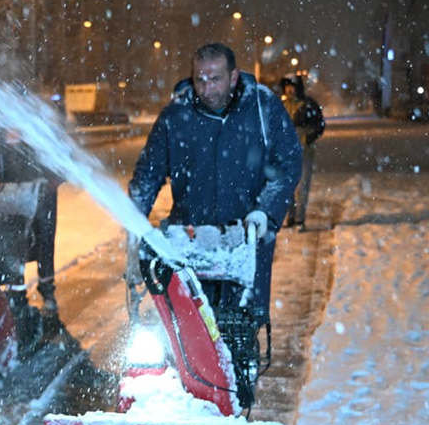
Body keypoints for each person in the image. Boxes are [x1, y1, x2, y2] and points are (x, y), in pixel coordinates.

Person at [129, 43, 301, 396]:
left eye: (216, 79)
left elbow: (288, 164)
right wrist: (135, 223)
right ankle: (188, 398)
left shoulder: (263, 108)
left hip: (246, 242)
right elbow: (148, 173)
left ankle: (236, 396)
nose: (207, 88)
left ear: (234, 76)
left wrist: (265, 210)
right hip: (189, 242)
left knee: (237, 329)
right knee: (184, 330)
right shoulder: (176, 116)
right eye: (200, 79)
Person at [0, 126, 61, 316]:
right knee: (10, 246)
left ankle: (47, 292)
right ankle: (16, 296)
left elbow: (59, 162)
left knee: (44, 245)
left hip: (41, 200)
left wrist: (50, 180)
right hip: (8, 201)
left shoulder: (37, 130)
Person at [279, 77, 324, 228]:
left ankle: (300, 218)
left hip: (305, 151)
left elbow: (320, 125)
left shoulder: (308, 105)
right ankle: (290, 216)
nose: (289, 90)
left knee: (303, 186)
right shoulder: (281, 105)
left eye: (292, 86)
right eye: (287, 87)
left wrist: (308, 138)